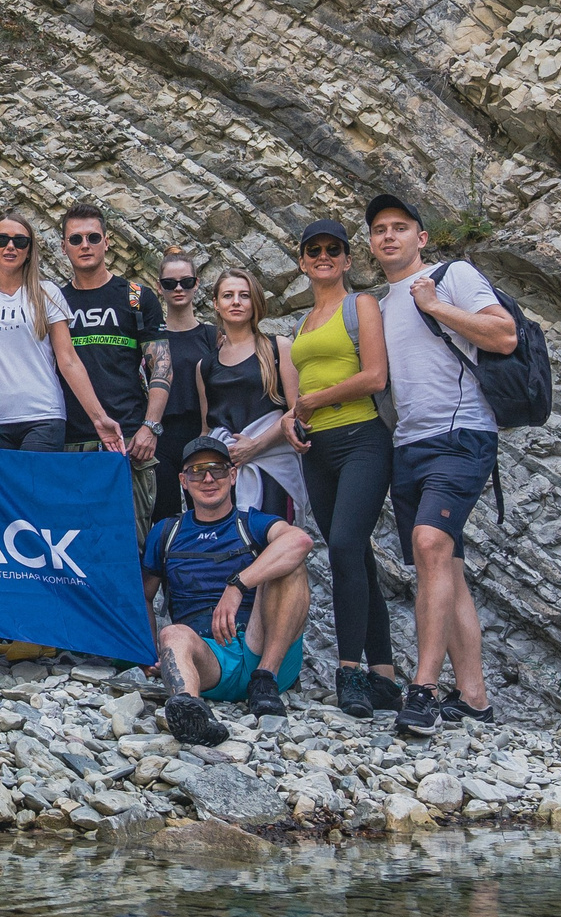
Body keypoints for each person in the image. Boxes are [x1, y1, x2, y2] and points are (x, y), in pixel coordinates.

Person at [368, 192, 516, 733]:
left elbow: (503, 335)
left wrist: (434, 306)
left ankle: (423, 690)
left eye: (400, 227)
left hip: (462, 434)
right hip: (408, 445)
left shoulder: (453, 277)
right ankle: (475, 698)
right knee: (443, 564)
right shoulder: (380, 306)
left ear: (421, 238)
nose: (389, 236)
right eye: (380, 229)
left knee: (430, 544)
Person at [286, 223, 396, 718]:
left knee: (348, 546)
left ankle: (349, 672)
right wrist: (293, 420)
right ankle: (386, 677)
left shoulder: (362, 306)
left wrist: (313, 402)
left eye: (334, 249)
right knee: (354, 557)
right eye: (315, 251)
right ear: (303, 262)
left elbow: (375, 375)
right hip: (317, 450)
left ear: (348, 260)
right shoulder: (305, 323)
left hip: (362, 439)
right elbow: (298, 395)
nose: (324, 256)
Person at [142, 436, 315, 746]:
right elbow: (143, 596)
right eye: (197, 471)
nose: (208, 478)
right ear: (183, 481)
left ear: (233, 475)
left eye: (218, 469)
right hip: (208, 657)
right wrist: (148, 654)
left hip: (261, 642)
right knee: (172, 634)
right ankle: (190, 711)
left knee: (287, 562)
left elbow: (300, 541)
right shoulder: (167, 532)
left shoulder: (252, 523)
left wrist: (237, 586)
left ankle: (265, 679)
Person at [0, 212, 117, 454]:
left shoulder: (47, 293)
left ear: (29, 250)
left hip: (44, 414)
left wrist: (99, 417)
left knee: (33, 488)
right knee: (4, 492)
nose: (10, 247)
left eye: (20, 241)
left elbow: (68, 360)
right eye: (2, 240)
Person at [58, 203, 169, 536]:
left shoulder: (137, 297)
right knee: (76, 549)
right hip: (70, 444)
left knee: (131, 547)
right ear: (63, 247)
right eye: (75, 239)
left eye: (93, 237)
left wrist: (151, 427)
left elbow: (161, 366)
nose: (85, 245)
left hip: (129, 440)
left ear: (107, 242)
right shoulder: (54, 302)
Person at [200, 268, 309, 521]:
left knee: (278, 540)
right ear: (216, 304)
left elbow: (297, 411)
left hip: (274, 464)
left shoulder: (278, 348)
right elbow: (206, 428)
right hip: (224, 470)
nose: (236, 301)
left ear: (255, 302)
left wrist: (255, 447)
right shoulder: (205, 365)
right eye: (228, 295)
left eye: (244, 295)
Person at [150, 250, 215, 527]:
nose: (178, 288)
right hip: (160, 436)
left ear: (196, 284)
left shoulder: (212, 335)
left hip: (202, 432)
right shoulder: (151, 337)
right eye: (170, 283)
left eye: (185, 282)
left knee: (209, 511)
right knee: (163, 517)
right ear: (159, 287)